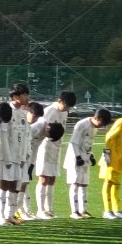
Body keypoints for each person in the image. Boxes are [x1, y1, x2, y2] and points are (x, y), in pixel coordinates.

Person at [34, 91, 77, 219]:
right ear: (59, 101)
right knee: (43, 178)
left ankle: (49, 209)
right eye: (66, 106)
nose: (67, 109)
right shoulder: (48, 111)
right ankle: (40, 210)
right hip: (45, 148)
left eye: (69, 107)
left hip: (57, 148)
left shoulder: (64, 112)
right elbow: (41, 129)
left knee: (52, 178)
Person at [64, 108, 112, 219]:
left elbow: (89, 143)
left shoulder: (94, 128)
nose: (101, 126)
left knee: (84, 183)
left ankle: (83, 210)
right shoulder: (81, 125)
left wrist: (91, 155)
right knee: (75, 183)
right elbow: (73, 142)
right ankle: (74, 211)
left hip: (85, 157)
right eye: (102, 123)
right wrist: (78, 157)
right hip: (75, 158)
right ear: (97, 118)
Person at [0, 83, 31, 225]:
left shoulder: (23, 113)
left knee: (15, 186)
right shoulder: (5, 111)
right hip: (6, 156)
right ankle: (0, 216)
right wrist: (8, 158)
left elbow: (25, 136)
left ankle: (10, 215)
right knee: (4, 184)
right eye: (24, 95)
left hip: (19, 156)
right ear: (16, 96)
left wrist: (24, 155)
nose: (27, 97)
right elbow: (2, 137)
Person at [14, 101, 46, 221]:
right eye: (34, 116)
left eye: (37, 117)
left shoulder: (34, 127)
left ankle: (23, 210)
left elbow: (34, 147)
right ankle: (16, 210)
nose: (35, 119)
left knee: (25, 182)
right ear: (27, 111)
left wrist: (32, 164)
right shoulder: (29, 127)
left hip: (26, 159)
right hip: (16, 159)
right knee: (18, 184)